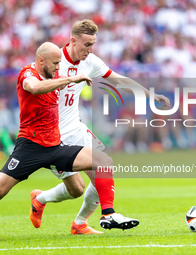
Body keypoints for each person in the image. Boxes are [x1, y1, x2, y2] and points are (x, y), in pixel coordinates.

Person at [0, 42, 137, 243]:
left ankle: (107, 214)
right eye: (55, 63)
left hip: (55, 146)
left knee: (101, 161)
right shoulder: (28, 73)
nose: (58, 67)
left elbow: (88, 75)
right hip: (29, 148)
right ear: (41, 61)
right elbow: (34, 87)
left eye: (60, 63)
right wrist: (71, 79)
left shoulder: (56, 73)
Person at [30, 20, 170, 234]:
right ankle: (40, 199)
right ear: (73, 41)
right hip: (53, 138)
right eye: (86, 44)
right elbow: (32, 88)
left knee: (103, 170)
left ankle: (83, 223)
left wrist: (150, 95)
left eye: (93, 44)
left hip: (76, 129)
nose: (90, 49)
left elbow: (118, 80)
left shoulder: (91, 61)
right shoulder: (53, 60)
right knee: (76, 189)